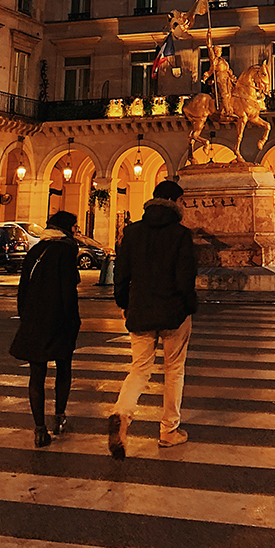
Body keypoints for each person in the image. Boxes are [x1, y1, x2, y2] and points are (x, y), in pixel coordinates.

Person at [108, 180, 198, 458]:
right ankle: (169, 430)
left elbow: (121, 274)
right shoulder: (181, 235)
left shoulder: (132, 232)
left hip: (141, 309)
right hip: (174, 311)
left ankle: (122, 415)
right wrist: (189, 305)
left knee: (139, 368)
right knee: (174, 370)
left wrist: (124, 303)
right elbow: (186, 277)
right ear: (175, 201)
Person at [10, 210, 82, 447]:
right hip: (59, 319)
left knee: (37, 375)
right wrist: (73, 320)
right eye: (74, 227)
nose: (76, 231)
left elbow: (23, 288)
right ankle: (59, 417)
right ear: (65, 228)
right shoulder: (66, 251)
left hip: (34, 320)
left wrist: (26, 317)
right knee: (63, 368)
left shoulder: (35, 250)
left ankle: (39, 429)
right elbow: (68, 290)